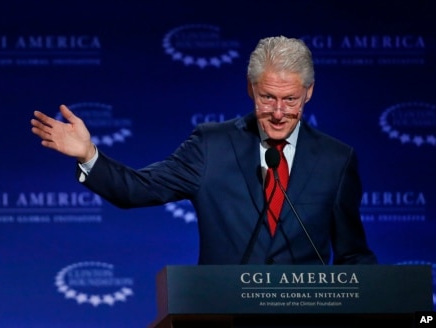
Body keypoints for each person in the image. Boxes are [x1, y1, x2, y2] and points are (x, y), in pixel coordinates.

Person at [30, 35, 378, 265]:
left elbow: (353, 255)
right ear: (250, 88)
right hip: (224, 316)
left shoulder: (336, 159)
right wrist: (88, 154)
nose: (277, 112)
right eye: (267, 98)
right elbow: (137, 189)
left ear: (309, 93)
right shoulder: (212, 145)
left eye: (290, 100)